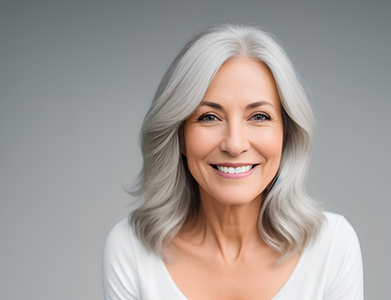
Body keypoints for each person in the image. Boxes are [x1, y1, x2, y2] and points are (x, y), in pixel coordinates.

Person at [103, 23, 363, 300]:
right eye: (209, 117)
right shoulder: (130, 248)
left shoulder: (333, 246)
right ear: (179, 135)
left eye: (259, 116)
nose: (235, 144)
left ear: (286, 134)